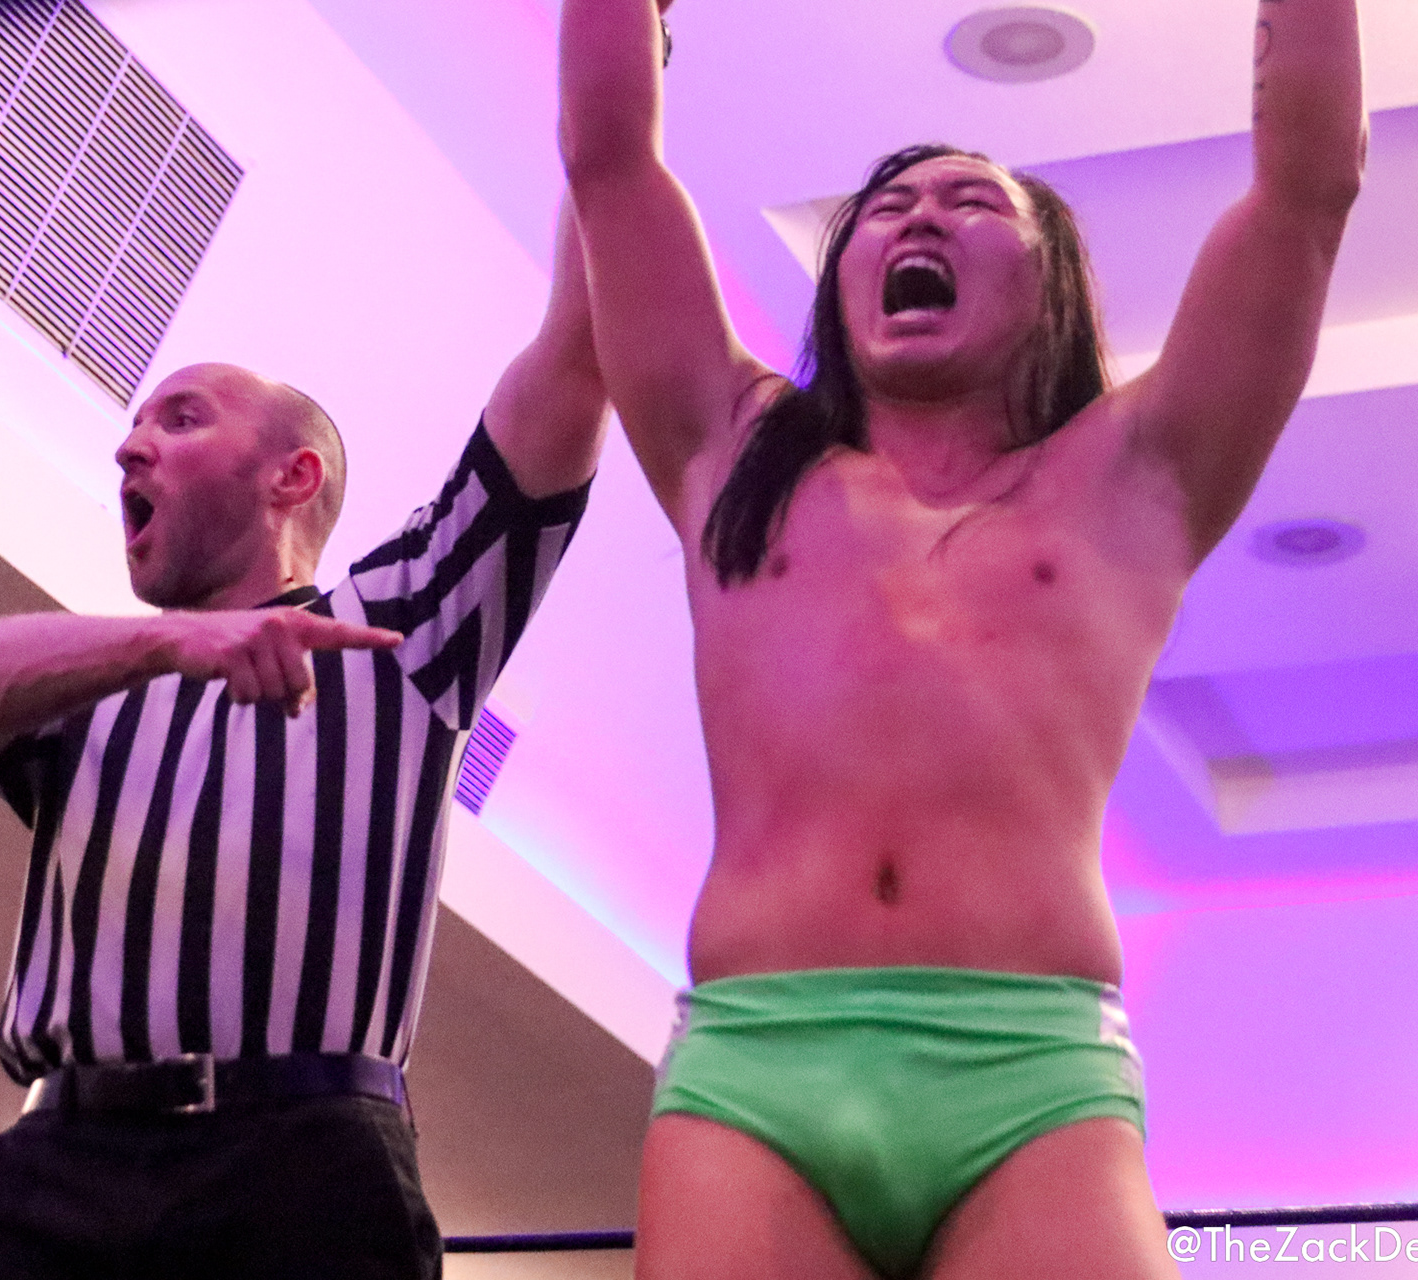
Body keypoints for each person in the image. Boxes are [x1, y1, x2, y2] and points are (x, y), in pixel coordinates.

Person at [559, 0, 1364, 1276]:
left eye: (971, 202)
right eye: (885, 209)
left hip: (1031, 1076)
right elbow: (610, 159)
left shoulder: (1138, 472)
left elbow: (1307, 191)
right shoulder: (731, 447)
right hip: (759, 1064)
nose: (919, 218)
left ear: (1050, 288)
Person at [0, 199, 607, 1279]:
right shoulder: (100, 683)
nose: (130, 443)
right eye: (137, 424)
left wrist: (610, 120)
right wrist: (166, 644)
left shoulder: (397, 629)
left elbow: (576, 356)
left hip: (305, 1168)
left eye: (183, 418)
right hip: (56, 1171)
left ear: (293, 476)